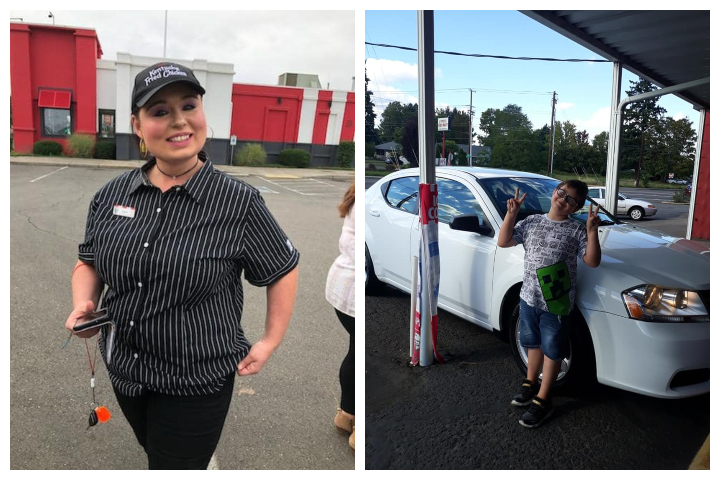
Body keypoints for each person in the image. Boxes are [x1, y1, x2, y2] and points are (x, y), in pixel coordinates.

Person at [64, 62, 300, 469]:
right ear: (137, 127)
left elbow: (282, 268)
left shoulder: (238, 203)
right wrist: (83, 303)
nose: (179, 120)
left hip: (195, 380)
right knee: (156, 450)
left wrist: (269, 340)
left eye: (189, 105)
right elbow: (88, 263)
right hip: (125, 367)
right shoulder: (111, 195)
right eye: (159, 111)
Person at [497, 179, 601, 428]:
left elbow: (592, 261)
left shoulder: (576, 230)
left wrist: (592, 231)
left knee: (553, 350)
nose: (563, 199)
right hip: (528, 297)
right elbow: (504, 241)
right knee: (532, 343)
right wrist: (511, 215)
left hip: (556, 303)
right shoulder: (532, 221)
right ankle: (530, 383)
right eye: (561, 193)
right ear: (554, 192)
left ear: (575, 208)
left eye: (571, 199)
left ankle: (544, 399)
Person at [325, 185, 355, 450]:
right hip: (351, 289)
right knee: (356, 354)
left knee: (354, 351)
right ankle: (352, 421)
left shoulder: (355, 194)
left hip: (342, 286)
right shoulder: (360, 203)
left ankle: (346, 415)